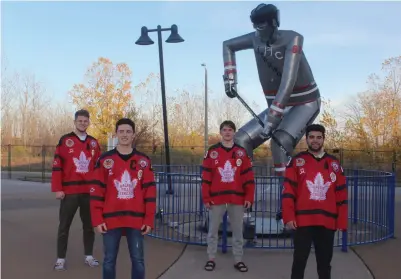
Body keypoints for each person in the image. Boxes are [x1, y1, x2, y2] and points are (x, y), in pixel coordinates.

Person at [89, 118, 156, 279]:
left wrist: (149, 220)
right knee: (109, 261)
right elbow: (96, 192)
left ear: (133, 135)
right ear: (116, 134)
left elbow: (150, 193)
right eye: (121, 131)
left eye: (128, 131)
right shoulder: (105, 160)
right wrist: (97, 220)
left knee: (138, 261)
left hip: (136, 221)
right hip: (111, 220)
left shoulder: (143, 161)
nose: (125, 135)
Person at [281, 124, 348, 279]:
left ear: (323, 139)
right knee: (299, 261)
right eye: (312, 137)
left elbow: (342, 194)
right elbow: (288, 190)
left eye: (319, 137)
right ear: (307, 139)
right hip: (302, 221)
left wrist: (341, 222)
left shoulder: (334, 164)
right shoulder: (297, 161)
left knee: (324, 264)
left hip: (327, 222)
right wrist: (289, 217)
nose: (315, 140)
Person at [201, 120, 255, 273]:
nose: (227, 132)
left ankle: (238, 260)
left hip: (237, 199)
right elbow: (206, 177)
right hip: (216, 199)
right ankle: (211, 258)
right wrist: (206, 197)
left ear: (234, 133)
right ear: (220, 132)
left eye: (230, 130)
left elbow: (248, 177)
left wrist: (249, 197)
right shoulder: (212, 152)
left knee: (238, 232)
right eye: (224, 130)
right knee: (212, 231)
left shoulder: (241, 152)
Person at [51, 109, 101, 271]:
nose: (82, 123)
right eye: (80, 121)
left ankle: (89, 256)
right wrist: (58, 189)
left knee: (89, 226)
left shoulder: (94, 143)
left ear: (88, 122)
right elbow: (57, 166)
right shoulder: (65, 140)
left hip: (88, 192)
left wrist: (99, 190)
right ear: (75, 122)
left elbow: (98, 169)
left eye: (85, 121)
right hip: (69, 192)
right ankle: (60, 258)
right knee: (64, 226)